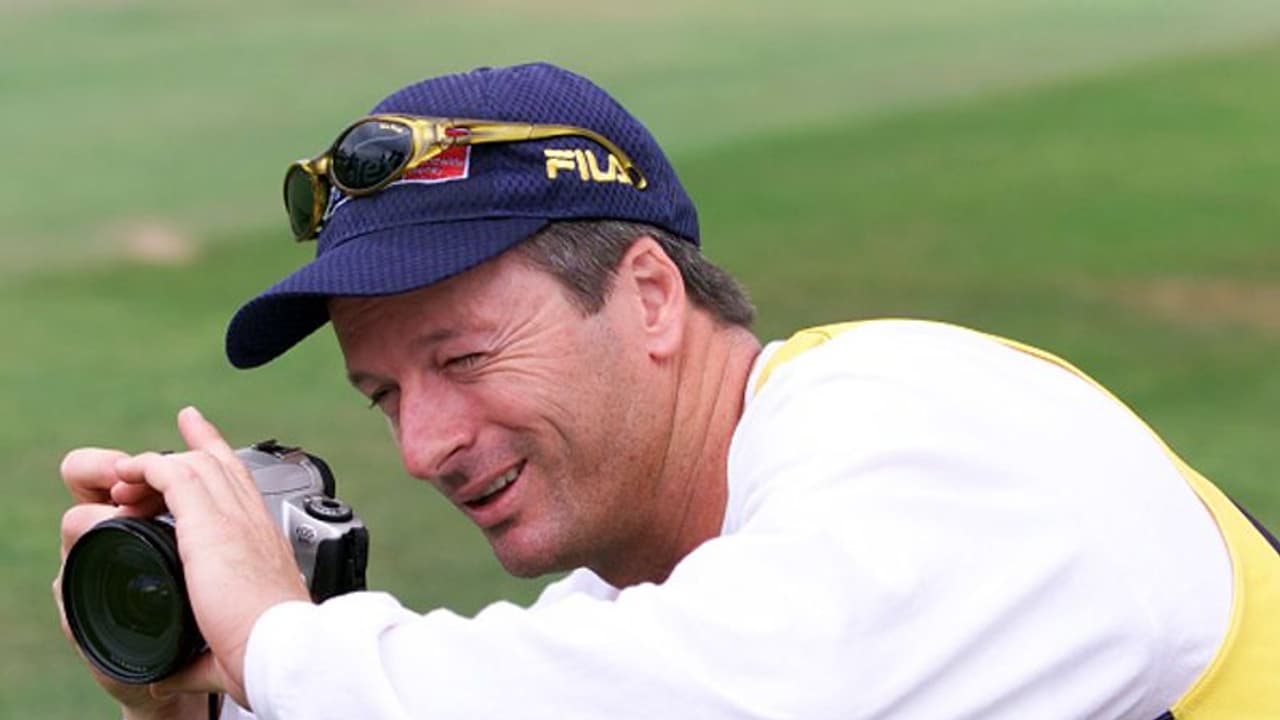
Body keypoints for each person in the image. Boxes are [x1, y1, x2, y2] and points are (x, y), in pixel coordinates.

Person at [55, 62, 1277, 720]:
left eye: (463, 360)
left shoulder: (917, 423)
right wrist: (194, 701)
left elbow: (722, 695)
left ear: (647, 294)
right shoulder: (646, 598)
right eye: (383, 395)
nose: (423, 447)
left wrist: (280, 644)